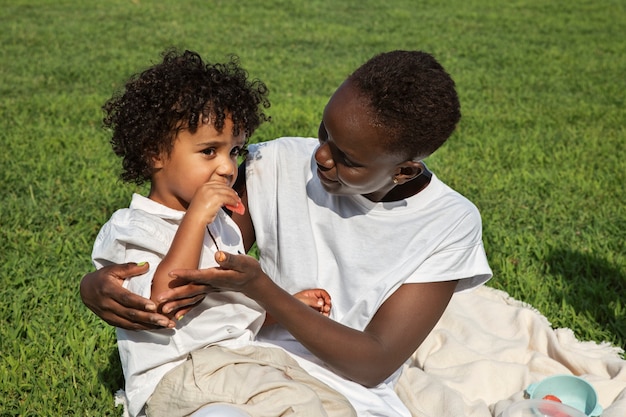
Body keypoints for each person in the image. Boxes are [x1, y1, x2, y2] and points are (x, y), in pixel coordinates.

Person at [81, 50, 493, 416]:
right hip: (240, 365)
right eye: (323, 132)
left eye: (347, 159)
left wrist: (271, 296)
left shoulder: (448, 222)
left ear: (404, 170)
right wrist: (92, 285)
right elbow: (193, 264)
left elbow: (373, 363)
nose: (321, 156)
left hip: (334, 381)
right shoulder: (275, 162)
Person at [90, 49, 353, 417]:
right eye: (209, 151)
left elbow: (229, 311)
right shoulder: (131, 228)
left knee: (335, 407)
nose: (228, 167)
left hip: (242, 362)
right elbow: (165, 303)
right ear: (154, 153)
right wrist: (194, 218)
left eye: (234, 151)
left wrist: (286, 306)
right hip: (181, 372)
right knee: (291, 408)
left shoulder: (221, 225)